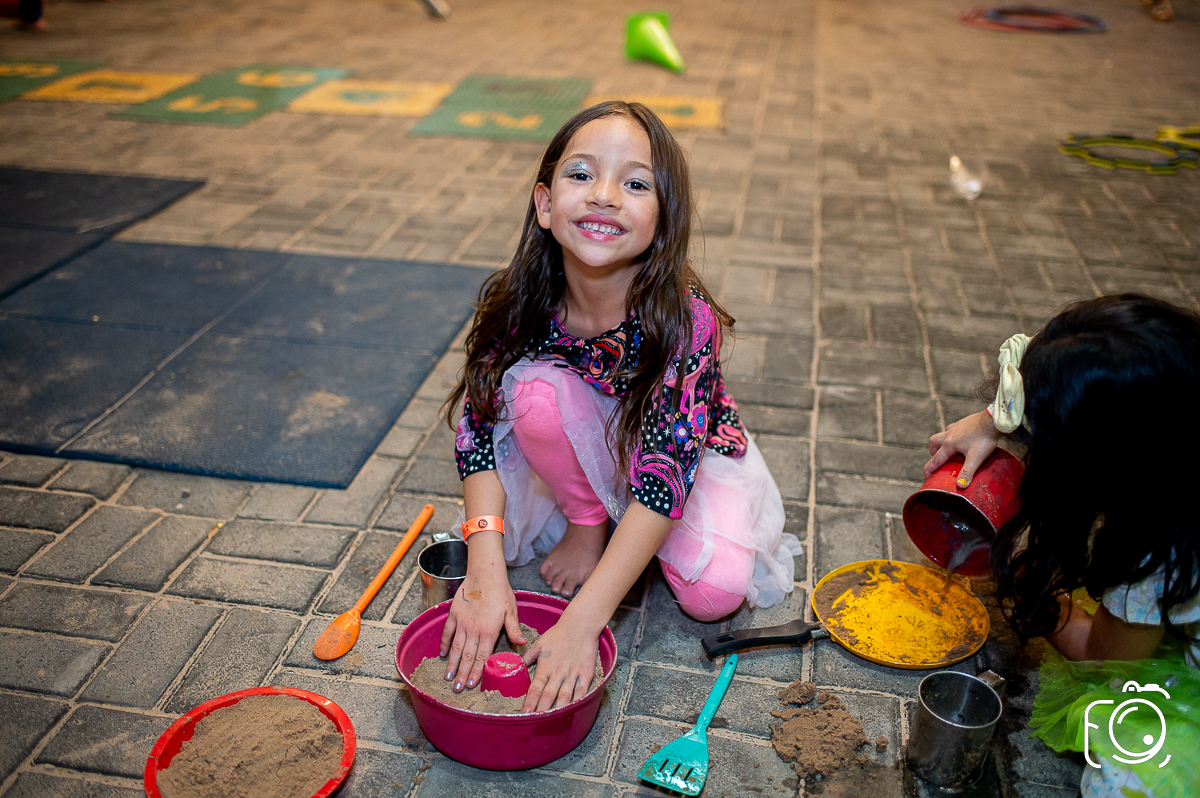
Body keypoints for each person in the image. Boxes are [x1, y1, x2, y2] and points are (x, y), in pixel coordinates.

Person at [440, 101, 801, 713]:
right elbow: (476, 430)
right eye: (581, 174)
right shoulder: (516, 300)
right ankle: (589, 522)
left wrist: (584, 621)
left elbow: (664, 479)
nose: (604, 195)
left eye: (635, 184)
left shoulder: (687, 322)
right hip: (580, 438)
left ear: (662, 222)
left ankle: (627, 541)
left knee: (713, 594)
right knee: (528, 394)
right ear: (545, 205)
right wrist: (484, 569)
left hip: (677, 458)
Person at [926, 294, 1200, 797]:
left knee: (1118, 780)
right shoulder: (1181, 396)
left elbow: (1103, 658)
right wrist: (993, 419)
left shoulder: (1158, 549)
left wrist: (1031, 586)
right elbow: (1102, 370)